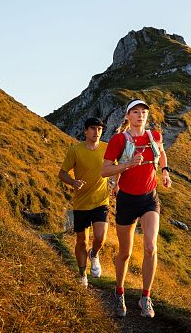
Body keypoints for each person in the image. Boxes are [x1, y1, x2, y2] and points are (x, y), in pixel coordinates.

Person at [101, 99, 172, 318]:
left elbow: (161, 153)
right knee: (125, 252)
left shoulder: (154, 136)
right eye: (135, 112)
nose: (140, 115)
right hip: (126, 201)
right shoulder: (119, 140)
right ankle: (119, 292)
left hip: (149, 199)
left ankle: (145, 298)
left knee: (151, 247)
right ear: (128, 116)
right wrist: (129, 164)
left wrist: (165, 171)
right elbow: (105, 170)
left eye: (143, 112)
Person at [58, 117, 110, 287]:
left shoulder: (106, 148)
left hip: (101, 201)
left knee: (100, 238)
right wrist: (73, 182)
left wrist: (117, 182)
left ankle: (94, 254)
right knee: (81, 240)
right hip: (81, 203)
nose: (97, 132)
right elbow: (62, 173)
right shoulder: (75, 150)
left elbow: (115, 167)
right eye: (93, 129)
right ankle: (82, 274)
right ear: (85, 131)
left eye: (100, 129)